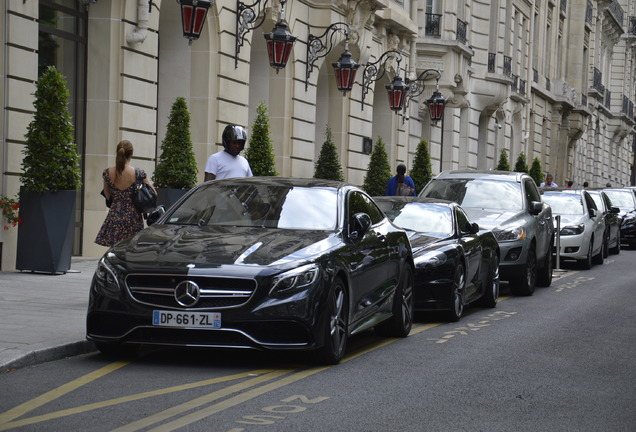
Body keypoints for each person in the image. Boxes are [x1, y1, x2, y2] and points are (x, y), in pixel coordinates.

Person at [95, 140, 156, 247]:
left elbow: (107, 195)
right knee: (131, 248)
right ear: (131, 154)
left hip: (115, 214)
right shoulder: (138, 173)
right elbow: (153, 192)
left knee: (115, 249)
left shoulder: (107, 173)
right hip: (133, 216)